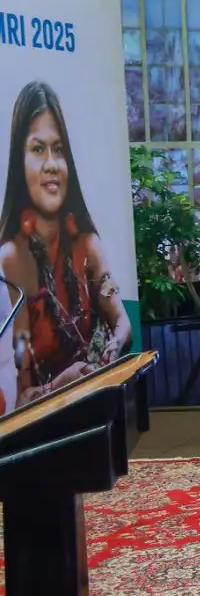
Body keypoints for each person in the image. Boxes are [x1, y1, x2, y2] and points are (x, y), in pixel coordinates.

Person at [0, 81, 131, 408]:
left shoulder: (87, 245)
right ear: (20, 160)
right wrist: (61, 384)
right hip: (44, 429)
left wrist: (113, 346)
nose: (51, 165)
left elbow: (122, 320)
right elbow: (21, 399)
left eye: (59, 150)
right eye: (38, 149)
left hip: (96, 405)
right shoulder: (11, 259)